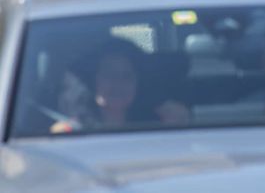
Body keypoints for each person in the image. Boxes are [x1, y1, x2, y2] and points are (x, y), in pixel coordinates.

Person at [54, 39, 189, 133]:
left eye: (127, 76)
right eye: (109, 74)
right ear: (93, 81)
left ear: (138, 83)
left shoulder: (159, 124)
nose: (118, 83)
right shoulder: (69, 131)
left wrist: (179, 124)